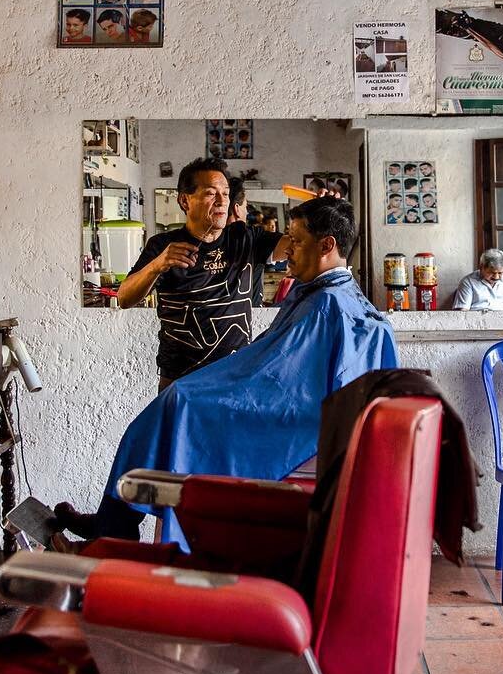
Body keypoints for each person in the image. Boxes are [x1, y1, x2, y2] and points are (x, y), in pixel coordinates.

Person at [54, 196, 396, 542]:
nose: (288, 249)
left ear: (327, 245)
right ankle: (113, 527)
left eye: (296, 240)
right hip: (302, 416)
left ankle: (115, 532)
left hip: (295, 428)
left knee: (175, 409)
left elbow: (280, 382)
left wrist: (197, 394)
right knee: (168, 412)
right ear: (185, 200)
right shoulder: (337, 297)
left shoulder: (325, 305)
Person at [116, 158, 289, 389]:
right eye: (210, 193)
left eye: (226, 194)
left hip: (235, 376)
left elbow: (298, 246)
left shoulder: (245, 239)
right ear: (185, 200)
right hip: (181, 381)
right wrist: (157, 265)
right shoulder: (162, 245)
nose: (221, 201)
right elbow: (124, 298)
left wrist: (321, 216)